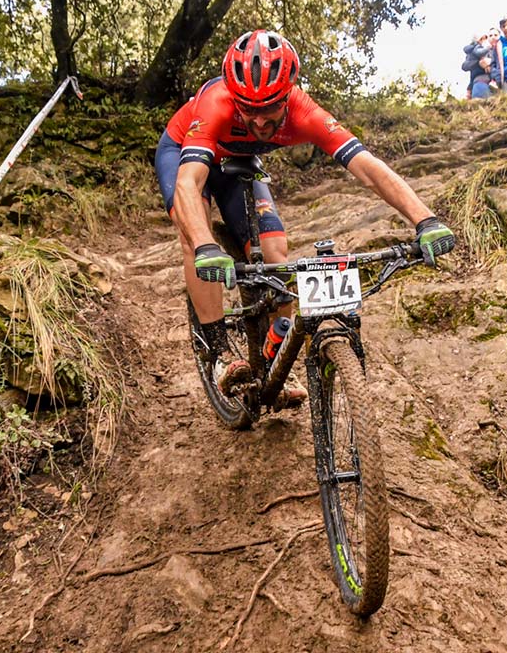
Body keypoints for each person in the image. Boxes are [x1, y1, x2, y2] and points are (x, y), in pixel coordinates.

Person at [155, 30, 456, 404]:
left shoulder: (304, 111)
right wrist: (203, 244)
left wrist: (424, 220)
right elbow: (189, 180)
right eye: (248, 109)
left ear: (288, 96)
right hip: (184, 151)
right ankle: (217, 352)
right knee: (193, 233)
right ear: (234, 97)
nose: (261, 122)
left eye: (270, 110)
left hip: (239, 161)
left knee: (276, 255)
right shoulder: (216, 103)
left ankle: (275, 361)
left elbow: (367, 167)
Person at [461, 29, 498, 99]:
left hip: (500, 83)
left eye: (496, 35)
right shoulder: (479, 49)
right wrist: (478, 63)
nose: (493, 37)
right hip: (481, 80)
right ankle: (469, 91)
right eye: (490, 35)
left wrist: (491, 62)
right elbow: (465, 66)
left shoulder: (502, 50)